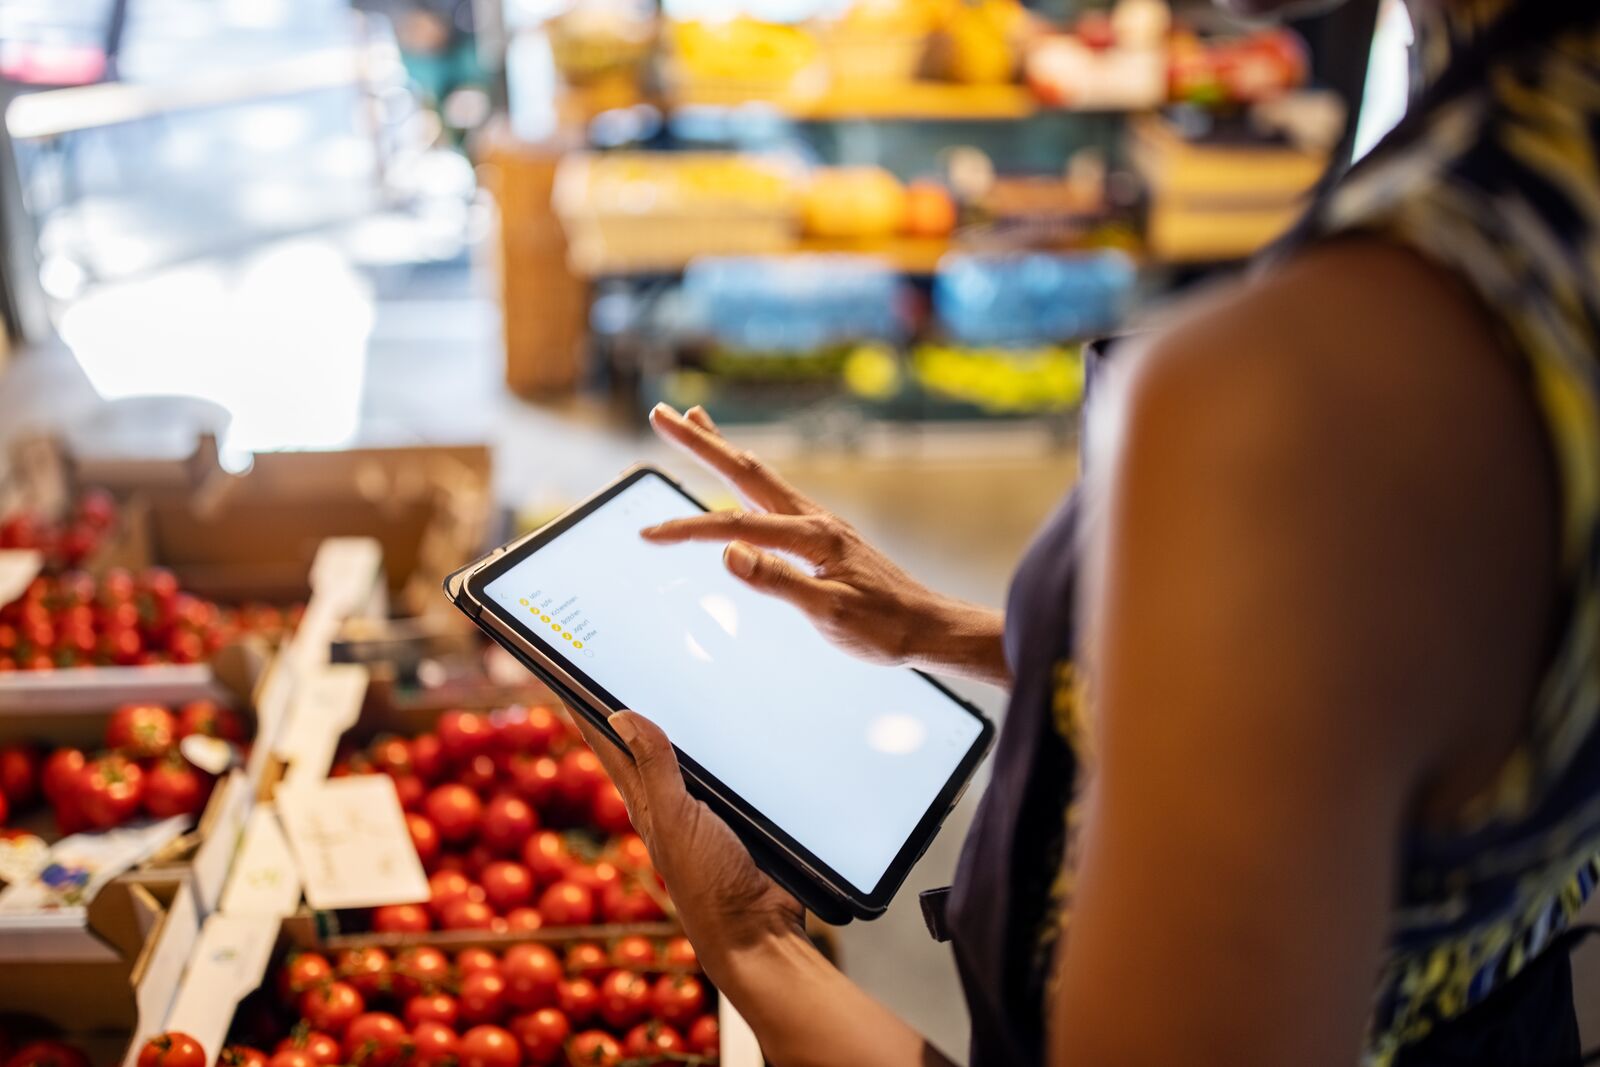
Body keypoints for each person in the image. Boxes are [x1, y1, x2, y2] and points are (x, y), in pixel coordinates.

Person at [570, 1, 1600, 1064]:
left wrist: (751, 942)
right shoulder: (1539, 219)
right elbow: (1381, 683)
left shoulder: (1312, 381)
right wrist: (960, 631)